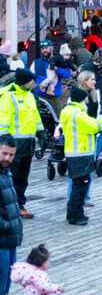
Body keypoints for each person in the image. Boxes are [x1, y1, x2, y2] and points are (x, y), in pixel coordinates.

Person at [0, 69, 44, 219]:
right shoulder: (8, 97)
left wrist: (41, 132)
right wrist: (4, 142)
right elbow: (3, 121)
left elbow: (35, 116)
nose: (34, 83)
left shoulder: (29, 96)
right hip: (14, 145)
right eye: (32, 81)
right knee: (13, 178)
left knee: (23, 178)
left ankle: (20, 205)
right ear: (24, 81)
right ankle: (12, 207)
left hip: (28, 144)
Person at [60, 87, 102, 226]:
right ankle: (76, 215)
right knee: (81, 186)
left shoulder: (67, 111)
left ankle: (74, 213)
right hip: (81, 153)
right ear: (83, 99)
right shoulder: (78, 114)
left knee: (77, 185)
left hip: (72, 152)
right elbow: (94, 127)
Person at [0, 135, 23, 295]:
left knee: (4, 288)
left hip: (9, 241)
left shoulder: (6, 173)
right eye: (4, 153)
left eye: (11, 155)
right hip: (2, 240)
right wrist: (8, 225)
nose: (7, 158)